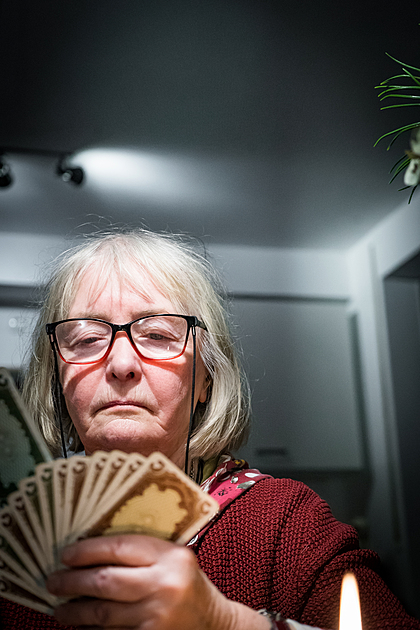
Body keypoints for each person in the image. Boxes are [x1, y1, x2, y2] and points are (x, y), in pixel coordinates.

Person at [0, 229, 419, 630]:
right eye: (87, 339)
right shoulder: (15, 540)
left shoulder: (285, 521)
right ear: (57, 380)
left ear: (206, 379)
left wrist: (227, 623)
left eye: (157, 334)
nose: (121, 364)